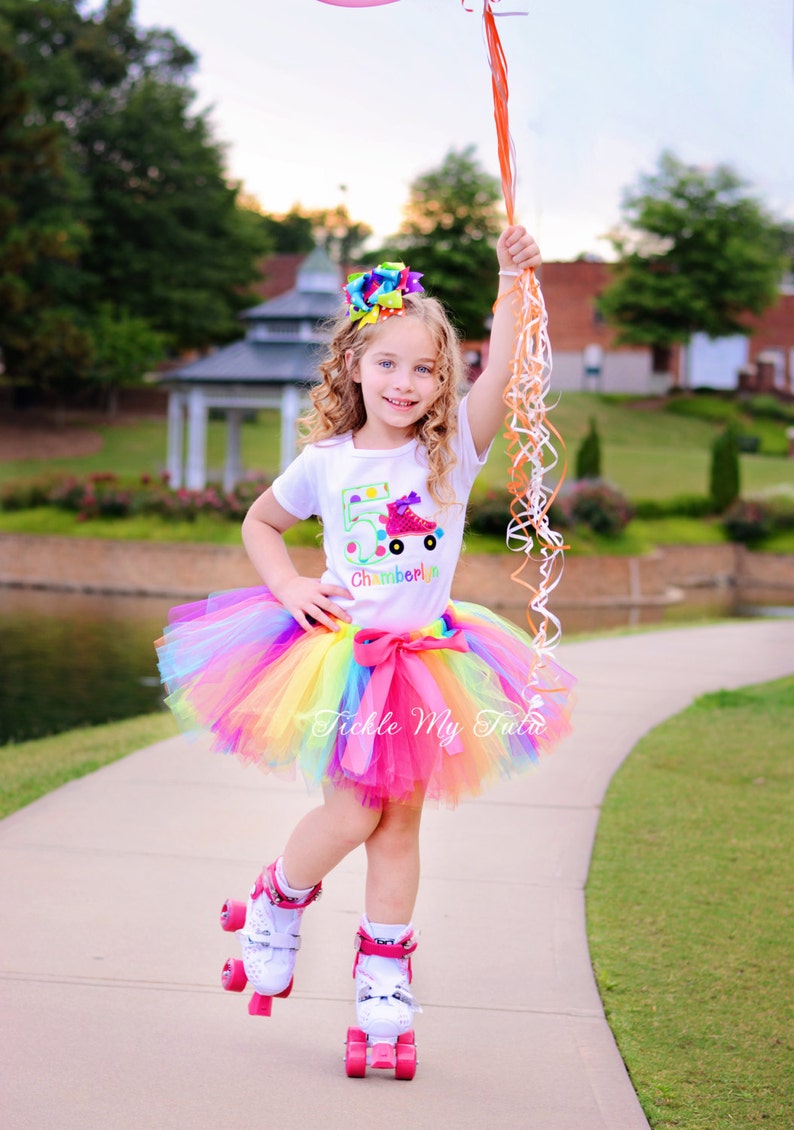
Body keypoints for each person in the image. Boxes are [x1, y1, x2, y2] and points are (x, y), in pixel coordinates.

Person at [156, 225, 574, 1055]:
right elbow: (261, 523)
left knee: (401, 823)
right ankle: (281, 895)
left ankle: (385, 967)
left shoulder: (453, 454)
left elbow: (502, 369)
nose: (406, 381)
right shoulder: (328, 460)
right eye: (387, 363)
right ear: (353, 364)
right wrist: (287, 585)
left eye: (425, 368)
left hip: (425, 663)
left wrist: (511, 279)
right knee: (351, 811)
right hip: (344, 661)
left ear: (443, 379)